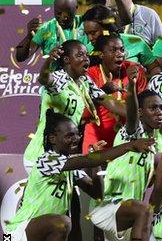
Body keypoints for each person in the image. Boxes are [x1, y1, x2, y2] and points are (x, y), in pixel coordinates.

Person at [6, 109, 153, 241]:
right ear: (52, 138)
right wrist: (130, 145)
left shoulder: (69, 166)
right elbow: (86, 159)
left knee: (65, 218)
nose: (76, 139)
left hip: (42, 240)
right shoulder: (47, 159)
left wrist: (95, 163)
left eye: (77, 134)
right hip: (19, 233)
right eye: (69, 135)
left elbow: (97, 192)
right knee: (62, 222)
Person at [88, 76, 162, 241]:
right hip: (107, 206)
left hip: (128, 217)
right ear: (141, 112)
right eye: (153, 108)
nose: (159, 112)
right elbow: (131, 115)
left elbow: (157, 196)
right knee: (143, 210)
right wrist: (132, 89)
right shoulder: (132, 133)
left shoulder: (152, 141)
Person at [23, 40, 125, 172]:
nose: (86, 59)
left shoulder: (85, 82)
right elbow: (44, 79)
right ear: (67, 60)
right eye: (80, 55)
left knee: (78, 189)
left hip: (64, 156)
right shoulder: (59, 78)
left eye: (87, 55)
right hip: (42, 156)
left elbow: (110, 103)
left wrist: (138, 114)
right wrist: (48, 62)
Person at [83, 33, 148, 153]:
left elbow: (144, 104)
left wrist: (132, 85)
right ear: (102, 55)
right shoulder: (91, 75)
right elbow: (84, 112)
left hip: (127, 139)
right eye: (113, 50)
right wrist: (104, 90)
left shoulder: (134, 70)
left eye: (122, 50)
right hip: (97, 138)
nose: (120, 54)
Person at [81, 5, 161, 76]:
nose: (90, 38)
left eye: (93, 33)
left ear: (107, 27)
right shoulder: (87, 51)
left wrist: (143, 81)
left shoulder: (135, 41)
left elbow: (155, 68)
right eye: (87, 34)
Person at [15, 0, 87, 62]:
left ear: (76, 8)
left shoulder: (86, 24)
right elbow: (20, 57)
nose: (63, 18)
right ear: (54, 7)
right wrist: (29, 36)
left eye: (67, 14)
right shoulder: (46, 29)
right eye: (58, 13)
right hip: (54, 73)